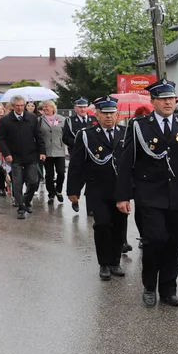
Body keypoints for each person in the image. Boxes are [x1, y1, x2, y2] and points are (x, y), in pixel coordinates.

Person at [116, 83, 178, 305]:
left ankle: (168, 289)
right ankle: (149, 286)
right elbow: (126, 163)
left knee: (172, 242)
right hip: (150, 195)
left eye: (171, 99)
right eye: (163, 99)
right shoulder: (139, 126)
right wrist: (123, 195)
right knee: (155, 239)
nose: (168, 103)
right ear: (153, 102)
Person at [67, 98, 128, 281]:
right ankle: (104, 263)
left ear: (117, 114)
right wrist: (73, 190)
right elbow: (77, 164)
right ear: (97, 114)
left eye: (112, 113)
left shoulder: (126, 132)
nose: (109, 116)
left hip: (120, 189)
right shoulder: (87, 135)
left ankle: (115, 261)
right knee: (102, 225)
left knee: (119, 226)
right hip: (97, 189)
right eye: (105, 113)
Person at [0, 96, 46, 220]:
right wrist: (6, 153)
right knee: (17, 183)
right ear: (12, 106)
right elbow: (1, 139)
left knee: (34, 181)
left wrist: (42, 151)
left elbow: (38, 135)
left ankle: (27, 200)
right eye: (17, 106)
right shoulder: (6, 120)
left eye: (21, 105)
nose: (19, 108)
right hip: (15, 157)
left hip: (31, 155)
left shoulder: (32, 118)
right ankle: (21, 208)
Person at [37, 101, 68, 204]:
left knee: (61, 172)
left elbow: (66, 134)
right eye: (43, 107)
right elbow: (37, 136)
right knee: (49, 175)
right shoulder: (39, 120)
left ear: (52, 108)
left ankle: (58, 190)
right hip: (46, 152)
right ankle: (51, 194)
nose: (45, 108)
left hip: (59, 150)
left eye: (47, 107)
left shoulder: (62, 119)